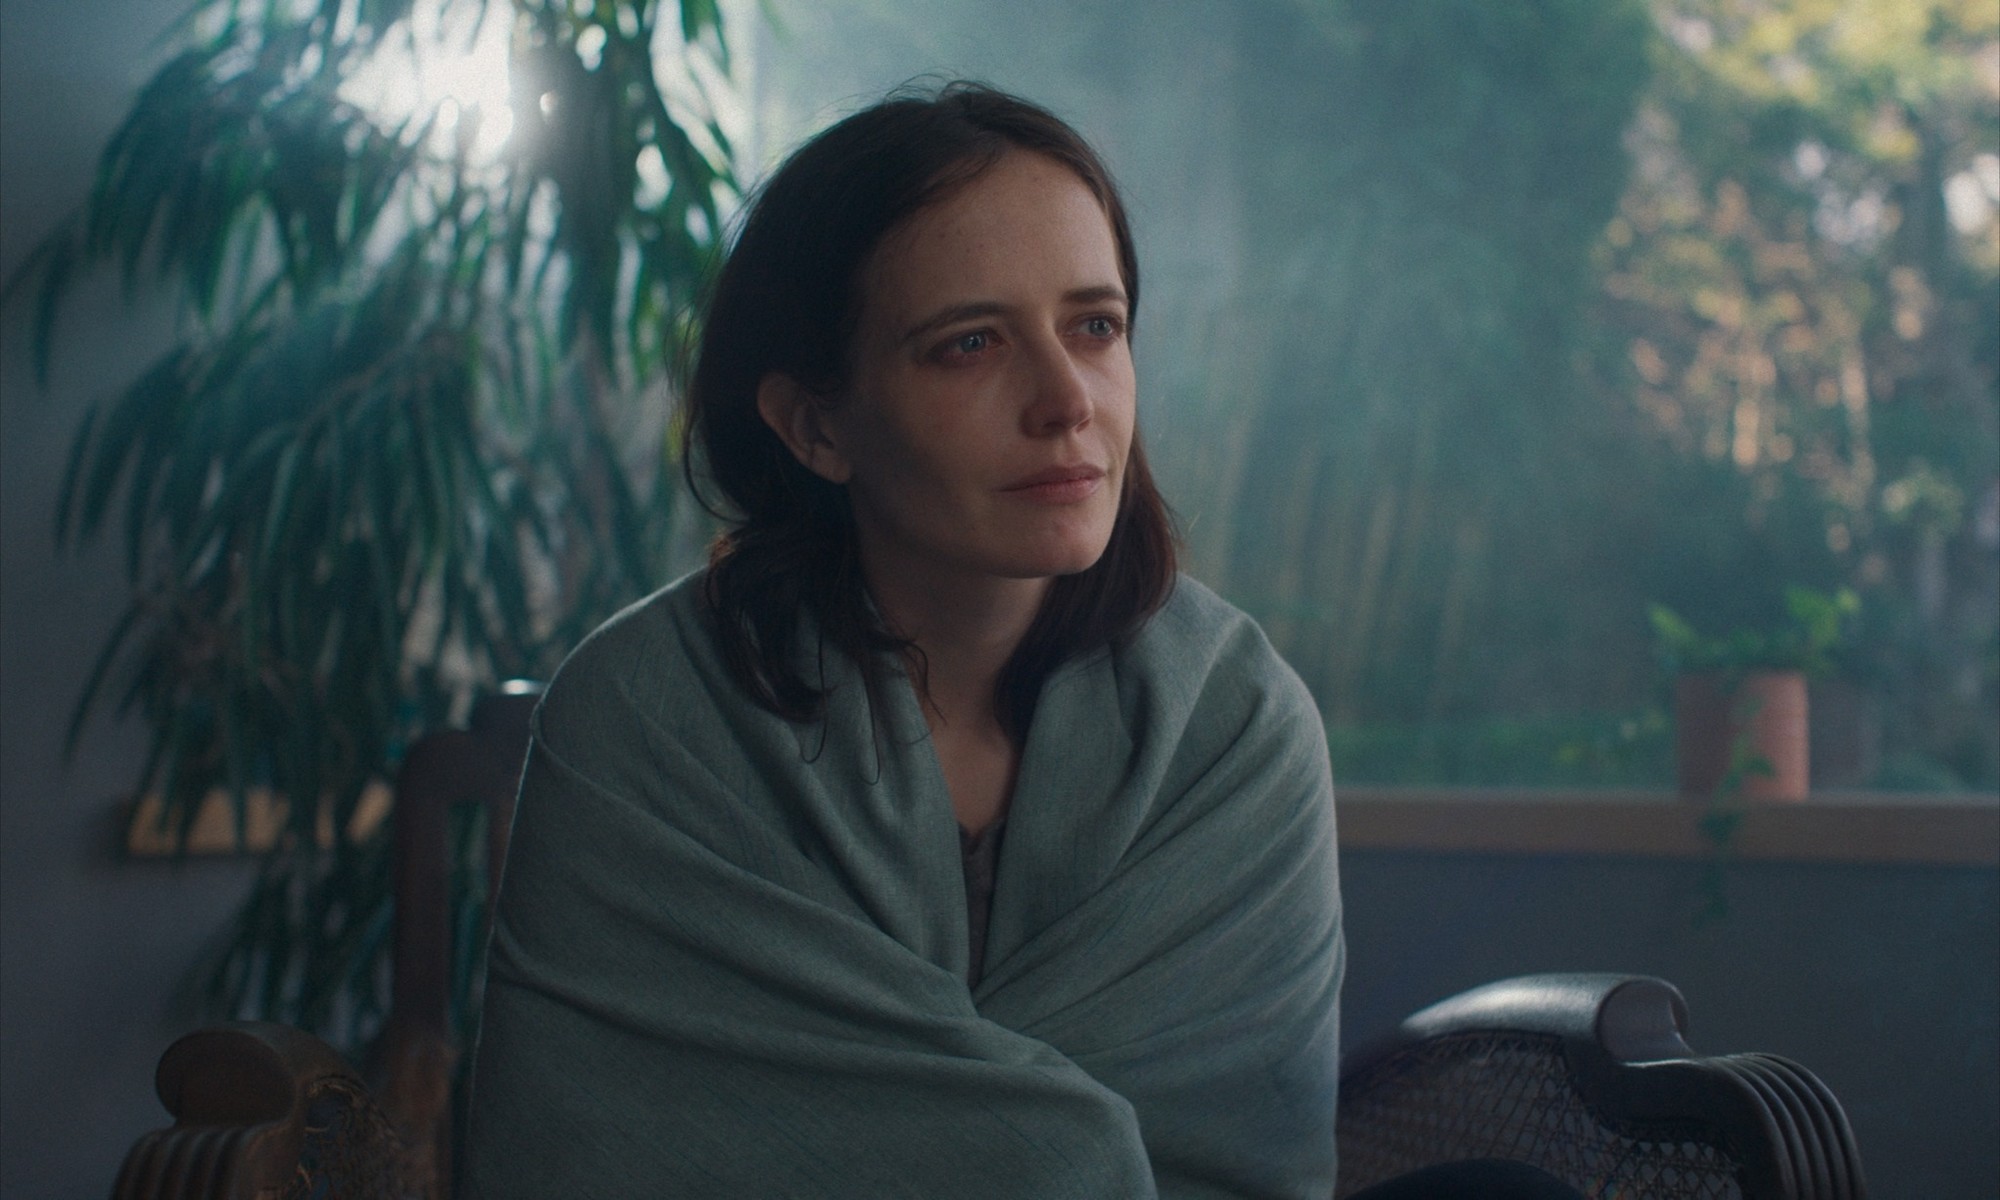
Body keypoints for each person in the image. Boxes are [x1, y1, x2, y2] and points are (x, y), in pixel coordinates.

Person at [465, 81, 1361, 1198]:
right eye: (968, 344)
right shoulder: (644, 717)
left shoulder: (1232, 726)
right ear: (815, 424)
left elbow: (1239, 1159)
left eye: (1095, 326)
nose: (1066, 400)